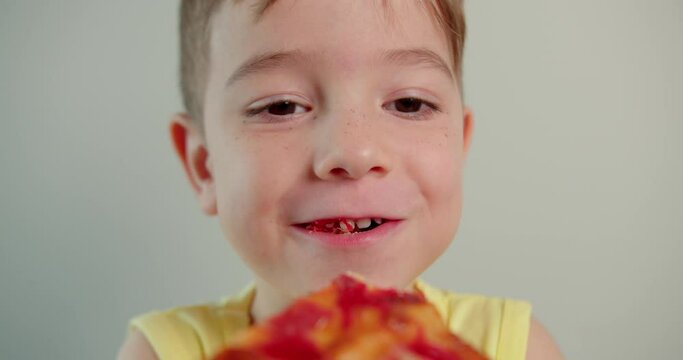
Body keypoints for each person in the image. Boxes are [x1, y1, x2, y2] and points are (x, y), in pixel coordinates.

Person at [118, 0, 564, 359]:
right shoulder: (162, 351)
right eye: (282, 107)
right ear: (204, 165)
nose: (354, 152)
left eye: (409, 103)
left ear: (460, 147)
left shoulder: (516, 347)